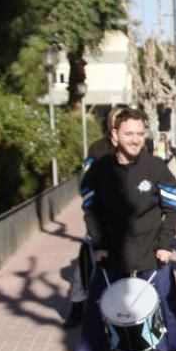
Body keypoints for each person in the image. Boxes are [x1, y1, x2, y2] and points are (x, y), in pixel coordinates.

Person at [75, 107, 176, 351]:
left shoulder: (157, 168)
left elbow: (173, 209)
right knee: (97, 308)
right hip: (110, 255)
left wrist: (165, 245)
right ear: (115, 135)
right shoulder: (99, 172)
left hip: (152, 253)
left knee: (166, 306)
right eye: (129, 133)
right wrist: (98, 245)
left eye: (140, 133)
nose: (135, 139)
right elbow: (90, 210)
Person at [63, 104, 127, 329]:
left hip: (129, 222)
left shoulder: (137, 149)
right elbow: (86, 184)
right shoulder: (98, 149)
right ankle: (77, 308)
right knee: (84, 266)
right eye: (118, 119)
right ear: (111, 124)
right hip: (101, 219)